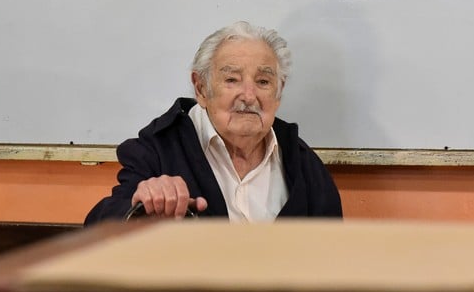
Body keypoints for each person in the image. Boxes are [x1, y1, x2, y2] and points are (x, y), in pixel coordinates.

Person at [84, 21, 342, 224]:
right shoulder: (158, 151)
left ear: (279, 92)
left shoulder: (303, 164)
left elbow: (333, 256)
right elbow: (100, 227)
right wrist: (139, 209)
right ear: (200, 89)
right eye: (232, 80)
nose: (249, 96)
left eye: (263, 82)